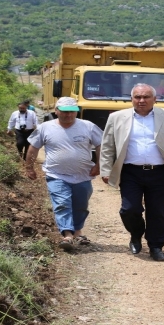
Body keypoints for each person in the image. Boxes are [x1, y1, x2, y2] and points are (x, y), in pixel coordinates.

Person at [99, 83, 164, 261]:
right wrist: (105, 169)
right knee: (129, 209)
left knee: (157, 210)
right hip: (130, 172)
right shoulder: (117, 117)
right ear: (131, 99)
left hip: (159, 172)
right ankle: (136, 235)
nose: (141, 101)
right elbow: (107, 146)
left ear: (155, 99)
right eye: (137, 97)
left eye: (146, 97)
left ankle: (156, 246)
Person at [25, 97, 103, 251]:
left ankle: (78, 232)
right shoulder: (45, 128)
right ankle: (67, 234)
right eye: (65, 112)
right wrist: (29, 167)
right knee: (62, 204)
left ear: (77, 112)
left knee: (81, 205)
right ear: (56, 111)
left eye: (72, 112)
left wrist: (100, 165)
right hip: (56, 175)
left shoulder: (88, 126)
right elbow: (33, 148)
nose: (68, 115)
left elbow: (101, 145)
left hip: (83, 175)